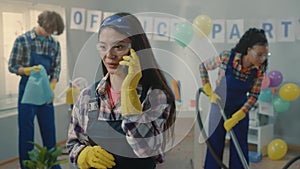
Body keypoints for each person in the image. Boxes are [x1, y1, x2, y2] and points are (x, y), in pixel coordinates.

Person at [66, 12, 176, 169]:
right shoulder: (87, 97)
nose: (109, 55)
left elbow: (147, 149)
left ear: (136, 50)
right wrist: (83, 155)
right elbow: (73, 144)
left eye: (118, 47)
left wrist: (129, 91)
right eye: (103, 47)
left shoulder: (155, 96)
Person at [199, 28, 269, 169]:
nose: (262, 59)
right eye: (259, 55)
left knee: (240, 147)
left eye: (265, 55)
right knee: (215, 142)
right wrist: (208, 90)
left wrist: (239, 115)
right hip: (219, 105)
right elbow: (202, 67)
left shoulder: (258, 71)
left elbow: (254, 95)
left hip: (240, 109)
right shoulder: (227, 57)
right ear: (248, 50)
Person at [8, 10, 64, 169]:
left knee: (49, 130)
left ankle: (53, 165)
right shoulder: (22, 40)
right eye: (48, 30)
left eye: (52, 32)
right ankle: (27, 166)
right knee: (26, 132)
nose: (49, 34)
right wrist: (26, 70)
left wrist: (52, 86)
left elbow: (56, 68)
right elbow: (12, 66)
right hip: (27, 90)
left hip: (45, 90)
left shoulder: (54, 44)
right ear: (41, 24)